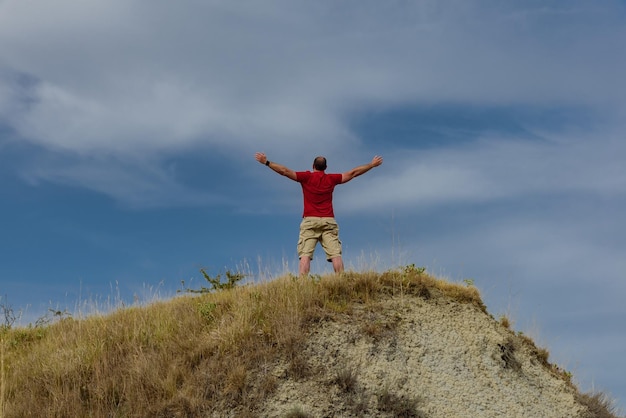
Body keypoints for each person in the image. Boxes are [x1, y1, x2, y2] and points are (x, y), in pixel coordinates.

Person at [255, 152, 383, 275]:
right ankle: (341, 279)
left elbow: (285, 171)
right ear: (325, 168)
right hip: (329, 221)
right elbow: (353, 173)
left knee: (305, 255)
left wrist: (266, 162)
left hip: (310, 221)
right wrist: (371, 165)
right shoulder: (332, 179)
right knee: (335, 255)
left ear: (313, 166)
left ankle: (303, 284)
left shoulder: (306, 177)